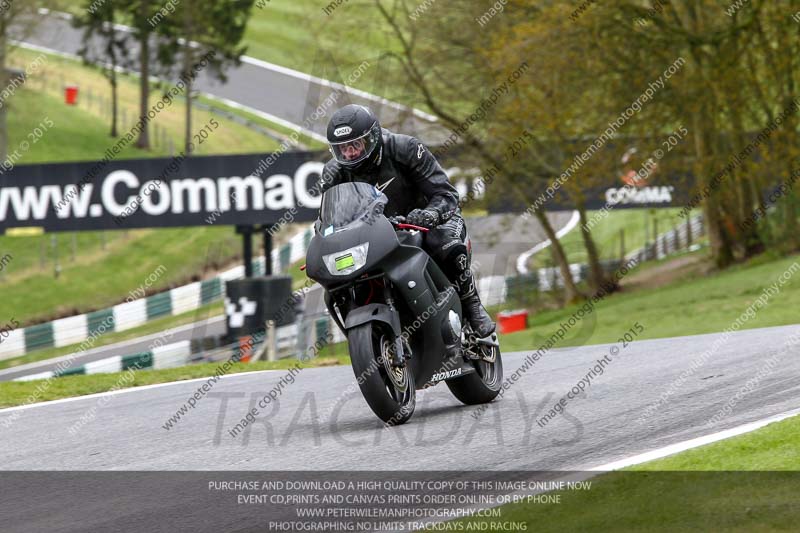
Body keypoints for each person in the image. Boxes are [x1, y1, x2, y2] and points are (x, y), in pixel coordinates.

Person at [320, 104, 495, 337]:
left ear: (372, 138)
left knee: (444, 244)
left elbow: (446, 194)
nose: (349, 153)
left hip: (425, 222)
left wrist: (430, 214)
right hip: (377, 236)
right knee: (341, 275)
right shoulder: (334, 173)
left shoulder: (406, 149)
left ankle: (473, 307)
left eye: (354, 145)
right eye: (342, 148)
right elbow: (331, 218)